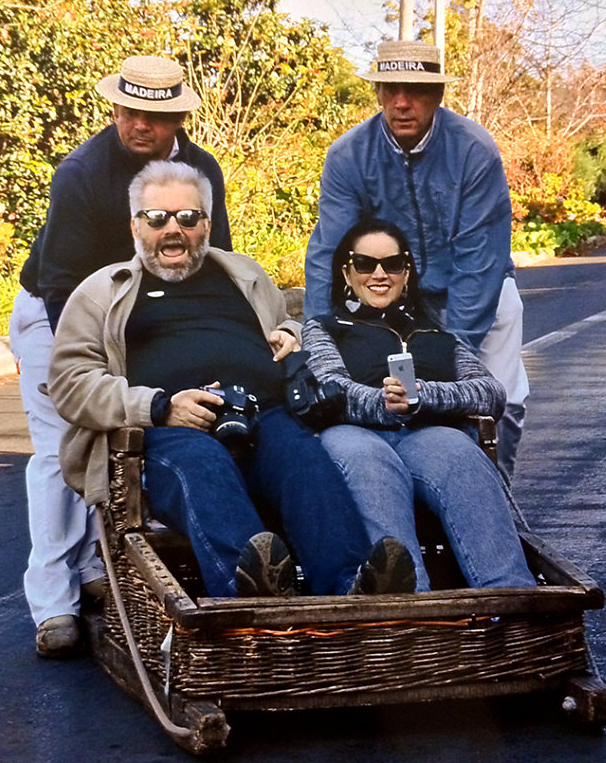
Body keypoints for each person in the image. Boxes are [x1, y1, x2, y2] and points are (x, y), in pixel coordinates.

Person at [47, 161, 416, 599]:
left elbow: (289, 324)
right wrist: (160, 406)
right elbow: (70, 383)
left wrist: (291, 334)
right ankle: (252, 596)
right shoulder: (102, 292)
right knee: (203, 463)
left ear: (206, 223)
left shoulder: (244, 274)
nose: (173, 229)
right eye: (157, 217)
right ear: (134, 225)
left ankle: (349, 589)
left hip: (263, 416)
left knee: (304, 459)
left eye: (188, 217)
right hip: (168, 433)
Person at [8, 55, 232, 658]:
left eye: (155, 116)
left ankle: (96, 569)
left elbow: (215, 267)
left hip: (148, 316)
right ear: (114, 108)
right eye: (130, 111)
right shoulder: (81, 173)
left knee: (139, 436)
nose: (140, 125)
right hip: (60, 311)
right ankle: (55, 604)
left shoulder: (200, 171)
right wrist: (90, 373)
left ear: (180, 117)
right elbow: (62, 286)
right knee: (65, 442)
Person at [303, 40, 529, 478]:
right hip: (392, 296)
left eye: (416, 91)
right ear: (379, 93)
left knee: (501, 399)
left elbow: (478, 259)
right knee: (384, 401)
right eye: (390, 89)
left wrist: (451, 353)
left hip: (479, 290)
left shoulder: (474, 150)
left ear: (438, 96)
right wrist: (319, 335)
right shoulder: (348, 154)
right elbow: (330, 251)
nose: (402, 103)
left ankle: (497, 494)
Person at [302, 218, 535, 592]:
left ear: (406, 273)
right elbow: (329, 386)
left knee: (461, 454)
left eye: (392, 265)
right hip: (355, 433)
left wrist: (425, 398)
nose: (379, 274)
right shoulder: (325, 328)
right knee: (369, 462)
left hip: (428, 432)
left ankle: (512, 601)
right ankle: (412, 612)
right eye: (365, 264)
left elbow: (491, 392)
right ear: (347, 273)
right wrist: (383, 402)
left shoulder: (435, 333)